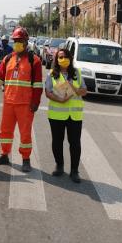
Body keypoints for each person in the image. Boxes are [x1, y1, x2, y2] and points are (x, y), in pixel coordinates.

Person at [0, 27, 43, 172]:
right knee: (5, 131)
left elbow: (38, 86)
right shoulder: (7, 59)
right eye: (15, 41)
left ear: (26, 42)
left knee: (25, 133)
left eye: (20, 41)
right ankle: (4, 155)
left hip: (25, 104)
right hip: (8, 102)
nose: (17, 43)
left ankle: (26, 159)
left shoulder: (35, 61)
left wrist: (35, 103)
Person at [45, 48, 87, 183]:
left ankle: (74, 171)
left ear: (70, 58)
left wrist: (73, 88)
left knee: (75, 143)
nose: (63, 59)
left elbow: (84, 91)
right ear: (56, 60)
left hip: (74, 116)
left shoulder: (77, 73)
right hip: (57, 115)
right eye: (60, 57)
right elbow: (48, 92)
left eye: (65, 56)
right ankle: (59, 166)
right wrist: (60, 100)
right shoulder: (52, 74)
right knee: (57, 142)